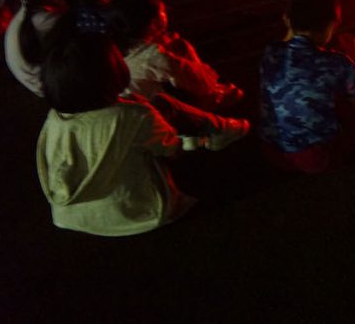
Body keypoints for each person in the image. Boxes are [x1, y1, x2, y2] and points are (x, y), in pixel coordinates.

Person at [36, 33, 248, 236]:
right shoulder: (134, 116)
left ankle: (221, 128)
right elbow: (171, 149)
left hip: (69, 215)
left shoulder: (55, 117)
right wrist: (195, 141)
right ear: (113, 72)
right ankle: (224, 130)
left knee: (160, 104)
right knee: (168, 114)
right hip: (136, 211)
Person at [259, 0, 355, 173]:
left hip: (271, 149)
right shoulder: (336, 63)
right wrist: (352, 55)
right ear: (332, 25)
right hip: (313, 158)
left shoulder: (271, 52)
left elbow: (288, 46)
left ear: (287, 20)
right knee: (349, 100)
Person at [109, 0, 243, 112]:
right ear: (155, 23)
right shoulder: (152, 56)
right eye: (163, 11)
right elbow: (204, 83)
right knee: (233, 94)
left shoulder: (111, 47)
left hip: (127, 112)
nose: (165, 14)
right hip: (152, 120)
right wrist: (180, 49)